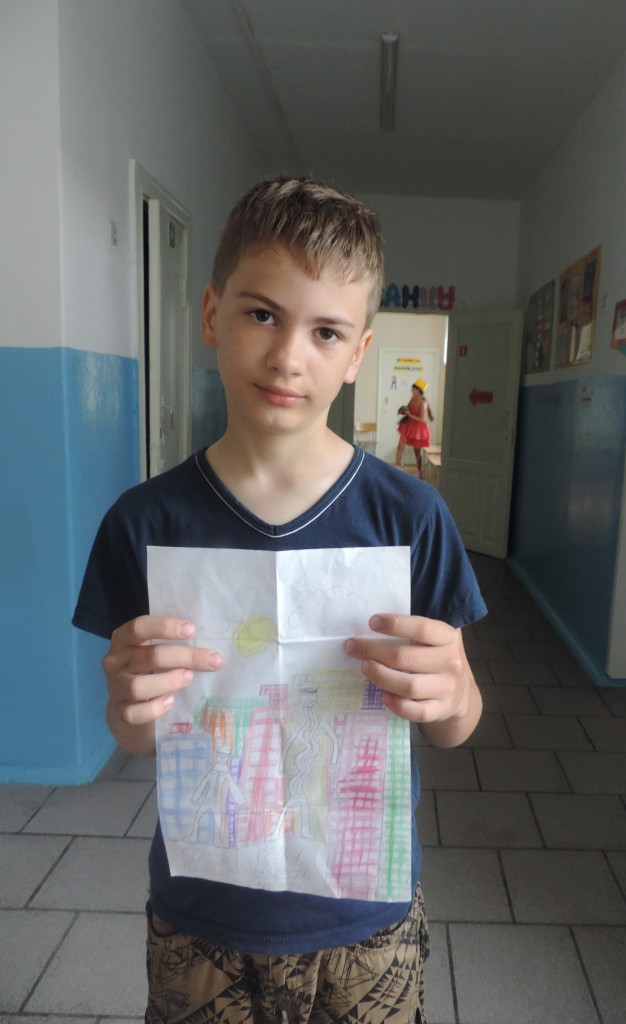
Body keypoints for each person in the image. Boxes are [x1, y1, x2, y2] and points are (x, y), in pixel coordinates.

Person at [73, 177, 485, 1024]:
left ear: (358, 352)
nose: (289, 356)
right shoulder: (143, 522)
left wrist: (453, 697)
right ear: (211, 313)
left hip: (366, 919)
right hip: (202, 914)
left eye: (325, 331)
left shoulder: (411, 518)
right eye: (262, 314)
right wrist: (128, 704)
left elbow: (456, 723)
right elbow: (138, 735)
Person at [395, 379, 433, 478]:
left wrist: (409, 414)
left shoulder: (423, 403)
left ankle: (419, 470)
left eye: (413, 389)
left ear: (418, 390)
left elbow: (421, 419)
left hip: (418, 429)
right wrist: (402, 410)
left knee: (417, 452)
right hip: (408, 425)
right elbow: (408, 409)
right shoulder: (412, 399)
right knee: (400, 447)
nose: (411, 391)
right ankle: (397, 468)